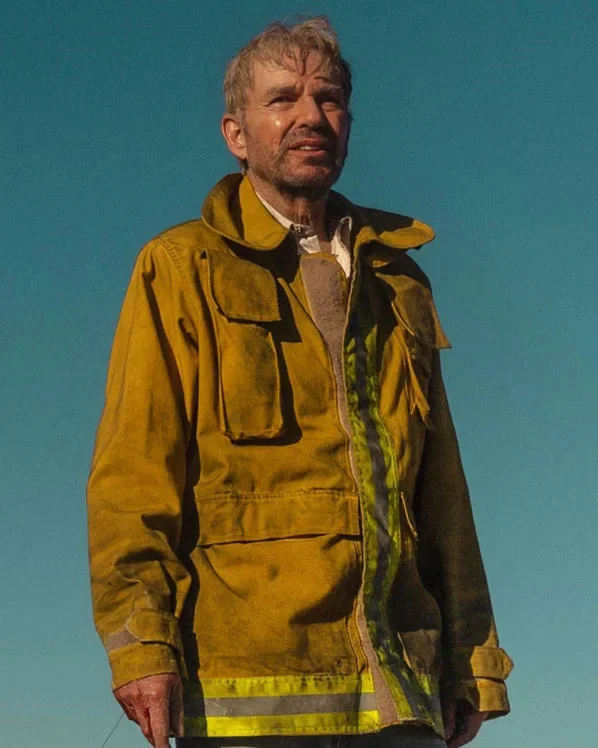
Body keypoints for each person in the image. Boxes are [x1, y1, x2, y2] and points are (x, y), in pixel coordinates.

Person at [87, 17, 512, 748]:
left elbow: (442, 487)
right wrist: (141, 645)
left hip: (400, 694)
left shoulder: (398, 281)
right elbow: (134, 477)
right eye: (283, 99)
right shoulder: (180, 267)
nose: (311, 116)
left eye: (329, 99)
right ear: (236, 133)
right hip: (246, 695)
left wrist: (473, 659)